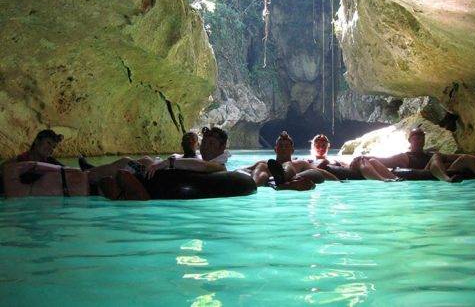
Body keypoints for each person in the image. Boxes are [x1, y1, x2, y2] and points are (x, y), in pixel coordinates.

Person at [100, 127, 230, 200]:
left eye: (211, 143)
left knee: (124, 169)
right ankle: (92, 175)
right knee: (138, 161)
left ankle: (95, 180)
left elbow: (203, 166)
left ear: (222, 147)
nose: (205, 147)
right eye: (204, 143)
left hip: (156, 186)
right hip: (158, 181)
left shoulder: (218, 166)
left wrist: (166, 163)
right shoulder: (203, 158)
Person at [350, 127, 475, 182]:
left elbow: (454, 157)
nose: (419, 139)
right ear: (410, 140)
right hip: (428, 174)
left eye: (421, 136)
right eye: (416, 136)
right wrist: (364, 157)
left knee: (466, 158)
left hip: (438, 170)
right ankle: (447, 180)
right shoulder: (405, 157)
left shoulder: (429, 154)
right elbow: (384, 160)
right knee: (436, 156)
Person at [1, 129, 88, 197]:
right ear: (37, 141)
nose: (51, 149)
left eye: (53, 147)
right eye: (48, 143)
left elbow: (68, 171)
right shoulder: (17, 162)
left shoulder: (51, 162)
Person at [245, 131, 338, 191]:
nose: (283, 149)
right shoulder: (265, 163)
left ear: (292, 150)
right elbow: (245, 170)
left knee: (288, 164)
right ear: (275, 149)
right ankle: (254, 185)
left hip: (287, 178)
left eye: (286, 146)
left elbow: (321, 172)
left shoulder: (300, 164)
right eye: (280, 146)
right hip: (265, 180)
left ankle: (282, 178)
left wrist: (339, 182)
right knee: (261, 166)